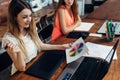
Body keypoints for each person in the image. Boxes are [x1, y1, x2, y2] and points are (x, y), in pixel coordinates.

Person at [1, 0, 71, 77]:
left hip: (34, 64)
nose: (29, 20)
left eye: (30, 15)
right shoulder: (9, 40)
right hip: (21, 74)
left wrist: (61, 47)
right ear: (14, 18)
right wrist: (18, 52)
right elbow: (21, 68)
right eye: (24, 17)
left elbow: (40, 45)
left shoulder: (30, 28)